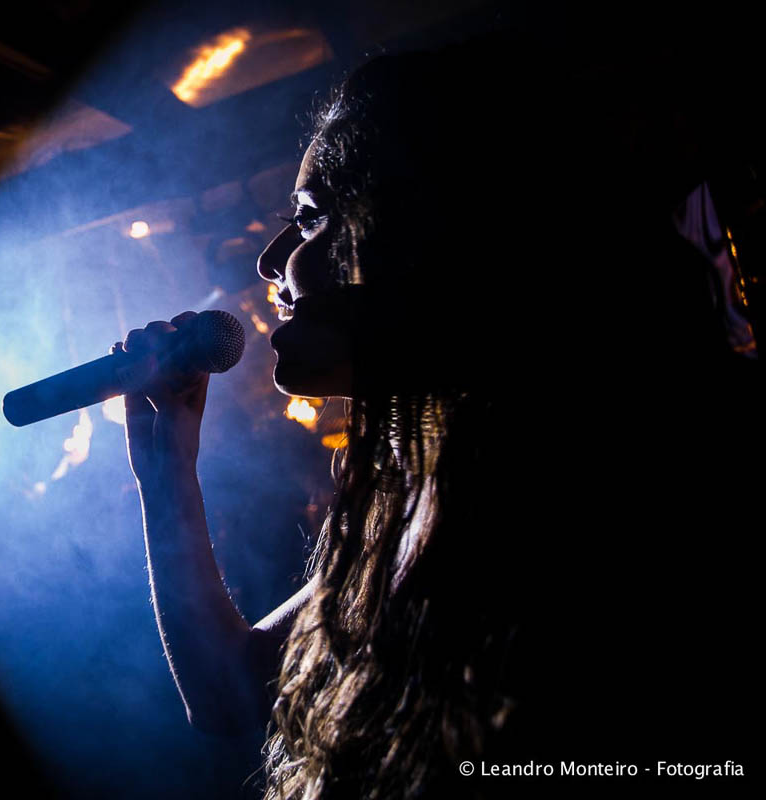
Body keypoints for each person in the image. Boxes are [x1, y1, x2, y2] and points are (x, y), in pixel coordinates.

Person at [112, 32, 760, 800]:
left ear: (417, 234)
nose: (269, 260)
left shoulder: (631, 477)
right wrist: (165, 472)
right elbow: (229, 694)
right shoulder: (425, 491)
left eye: (311, 217)